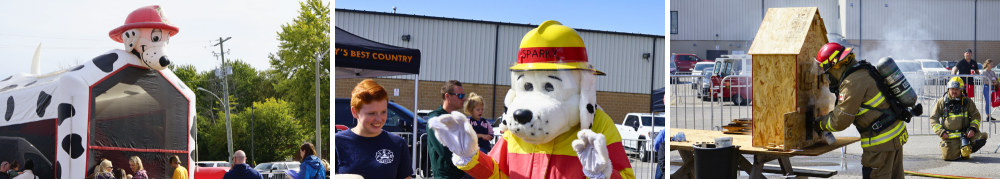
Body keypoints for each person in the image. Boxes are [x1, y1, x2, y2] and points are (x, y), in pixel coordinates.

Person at [811, 42, 908, 178]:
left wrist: (820, 124)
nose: (828, 78)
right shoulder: (862, 70)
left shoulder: (852, 82)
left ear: (837, 65)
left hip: (880, 144)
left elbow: (840, 121)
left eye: (828, 73)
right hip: (894, 137)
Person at [335, 79, 412, 179]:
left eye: (383, 112)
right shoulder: (337, 142)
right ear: (355, 112)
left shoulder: (398, 144)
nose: (379, 119)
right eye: (371, 113)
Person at [931, 77, 990, 160]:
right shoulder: (942, 102)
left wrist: (972, 129)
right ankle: (962, 149)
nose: (954, 91)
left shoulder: (967, 101)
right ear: (948, 89)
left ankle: (966, 148)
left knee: (982, 138)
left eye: (957, 89)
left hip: (966, 135)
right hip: (950, 137)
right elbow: (933, 118)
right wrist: (941, 132)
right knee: (948, 157)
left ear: (961, 90)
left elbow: (976, 116)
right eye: (952, 89)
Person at [426, 80, 470, 179]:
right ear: (447, 96)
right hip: (445, 176)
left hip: (461, 174)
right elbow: (445, 151)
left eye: (464, 95)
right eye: (460, 96)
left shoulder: (458, 119)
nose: (464, 99)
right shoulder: (435, 120)